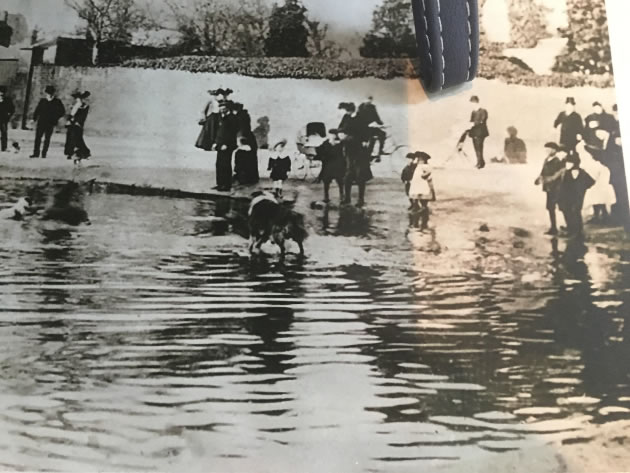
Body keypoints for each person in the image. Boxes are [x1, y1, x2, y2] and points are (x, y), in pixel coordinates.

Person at [338, 102, 372, 207]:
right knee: (348, 174)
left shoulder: (361, 117)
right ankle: (347, 198)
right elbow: (340, 127)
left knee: (360, 174)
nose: (348, 112)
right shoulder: (346, 117)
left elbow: (366, 130)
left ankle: (360, 199)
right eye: (346, 111)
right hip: (349, 148)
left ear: (353, 109)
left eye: (349, 110)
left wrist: (365, 140)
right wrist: (341, 135)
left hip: (359, 149)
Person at [557, 152, 595, 238]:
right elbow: (562, 186)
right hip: (566, 197)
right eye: (566, 162)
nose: (567, 164)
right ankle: (571, 228)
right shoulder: (566, 173)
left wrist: (582, 189)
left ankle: (577, 231)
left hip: (577, 197)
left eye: (569, 163)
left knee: (576, 212)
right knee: (568, 212)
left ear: (575, 163)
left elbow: (591, 181)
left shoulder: (582, 173)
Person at [578, 138, 616, 224]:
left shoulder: (597, 164)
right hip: (594, 182)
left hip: (601, 182)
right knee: (595, 199)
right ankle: (597, 215)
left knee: (601, 198)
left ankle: (605, 216)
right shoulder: (586, 161)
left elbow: (602, 173)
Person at [535, 142, 567, 235]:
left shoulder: (558, 161)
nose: (547, 151)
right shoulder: (546, 160)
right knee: (550, 208)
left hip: (556, 188)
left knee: (562, 207)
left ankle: (570, 227)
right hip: (548, 188)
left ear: (554, 150)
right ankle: (553, 227)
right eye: (546, 149)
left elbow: (558, 175)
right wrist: (538, 178)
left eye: (549, 149)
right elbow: (543, 171)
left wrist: (546, 179)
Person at [605, 104, 629, 225]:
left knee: (622, 192)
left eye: (617, 113)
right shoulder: (613, 125)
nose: (616, 116)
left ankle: (624, 218)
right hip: (614, 167)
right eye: (615, 113)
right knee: (618, 192)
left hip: (620, 167)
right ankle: (621, 217)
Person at [31, 85, 66, 159]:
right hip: (41, 122)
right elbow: (37, 110)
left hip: (50, 123)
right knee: (38, 138)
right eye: (47, 93)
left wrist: (55, 118)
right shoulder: (42, 101)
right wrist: (34, 119)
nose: (49, 95)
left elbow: (62, 111)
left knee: (47, 138)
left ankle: (44, 153)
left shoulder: (57, 102)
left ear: (53, 94)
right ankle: (36, 153)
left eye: (50, 93)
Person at [212, 100, 238, 191]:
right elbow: (218, 132)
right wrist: (215, 143)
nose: (221, 110)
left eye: (223, 108)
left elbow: (231, 133)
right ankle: (219, 184)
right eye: (220, 108)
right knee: (219, 164)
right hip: (219, 145)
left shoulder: (232, 118)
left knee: (226, 164)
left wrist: (226, 144)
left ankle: (226, 185)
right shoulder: (219, 118)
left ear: (227, 108)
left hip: (228, 145)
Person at [314, 128, 346, 204]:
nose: (331, 136)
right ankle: (326, 196)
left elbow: (343, 154)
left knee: (340, 181)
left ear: (336, 135)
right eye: (330, 135)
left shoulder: (340, 144)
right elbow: (319, 151)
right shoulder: (325, 143)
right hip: (328, 165)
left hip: (338, 165)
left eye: (333, 135)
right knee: (326, 181)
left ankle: (342, 195)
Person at [408, 152, 436, 230]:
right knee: (420, 206)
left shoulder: (424, 167)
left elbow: (427, 176)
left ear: (422, 160)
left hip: (422, 189)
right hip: (419, 189)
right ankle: (419, 224)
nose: (418, 160)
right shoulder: (419, 167)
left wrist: (424, 175)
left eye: (419, 159)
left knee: (421, 206)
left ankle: (421, 224)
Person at [459, 96, 489, 169]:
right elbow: (471, 121)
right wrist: (468, 127)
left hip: (481, 132)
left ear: (476, 102)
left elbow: (482, 120)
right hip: (474, 132)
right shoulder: (473, 112)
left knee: (479, 147)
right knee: (476, 148)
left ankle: (480, 163)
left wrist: (473, 124)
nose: (471, 105)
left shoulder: (483, 111)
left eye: (472, 103)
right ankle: (481, 162)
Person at [64, 91, 91, 163]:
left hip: (77, 124)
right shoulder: (75, 106)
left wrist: (77, 122)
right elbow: (71, 115)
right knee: (70, 138)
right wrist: (69, 120)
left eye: (79, 98)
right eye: (76, 98)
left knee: (77, 138)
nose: (77, 99)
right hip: (72, 124)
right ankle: (71, 153)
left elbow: (82, 116)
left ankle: (82, 153)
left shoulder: (84, 106)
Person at [357, 95, 386, 160]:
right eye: (368, 100)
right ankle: (369, 155)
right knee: (372, 138)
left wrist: (381, 123)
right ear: (364, 100)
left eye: (370, 100)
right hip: (364, 128)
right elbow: (359, 119)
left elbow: (376, 116)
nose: (369, 101)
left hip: (371, 127)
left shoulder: (372, 107)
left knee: (382, 134)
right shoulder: (360, 107)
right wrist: (366, 125)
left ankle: (380, 151)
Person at [0, 86, 15, 153]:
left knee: (4, 133)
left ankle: (4, 147)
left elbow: (12, 109)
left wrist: (9, 114)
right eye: (0, 94)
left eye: (2, 94)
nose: (1, 95)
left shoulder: (8, 100)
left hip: (3, 120)